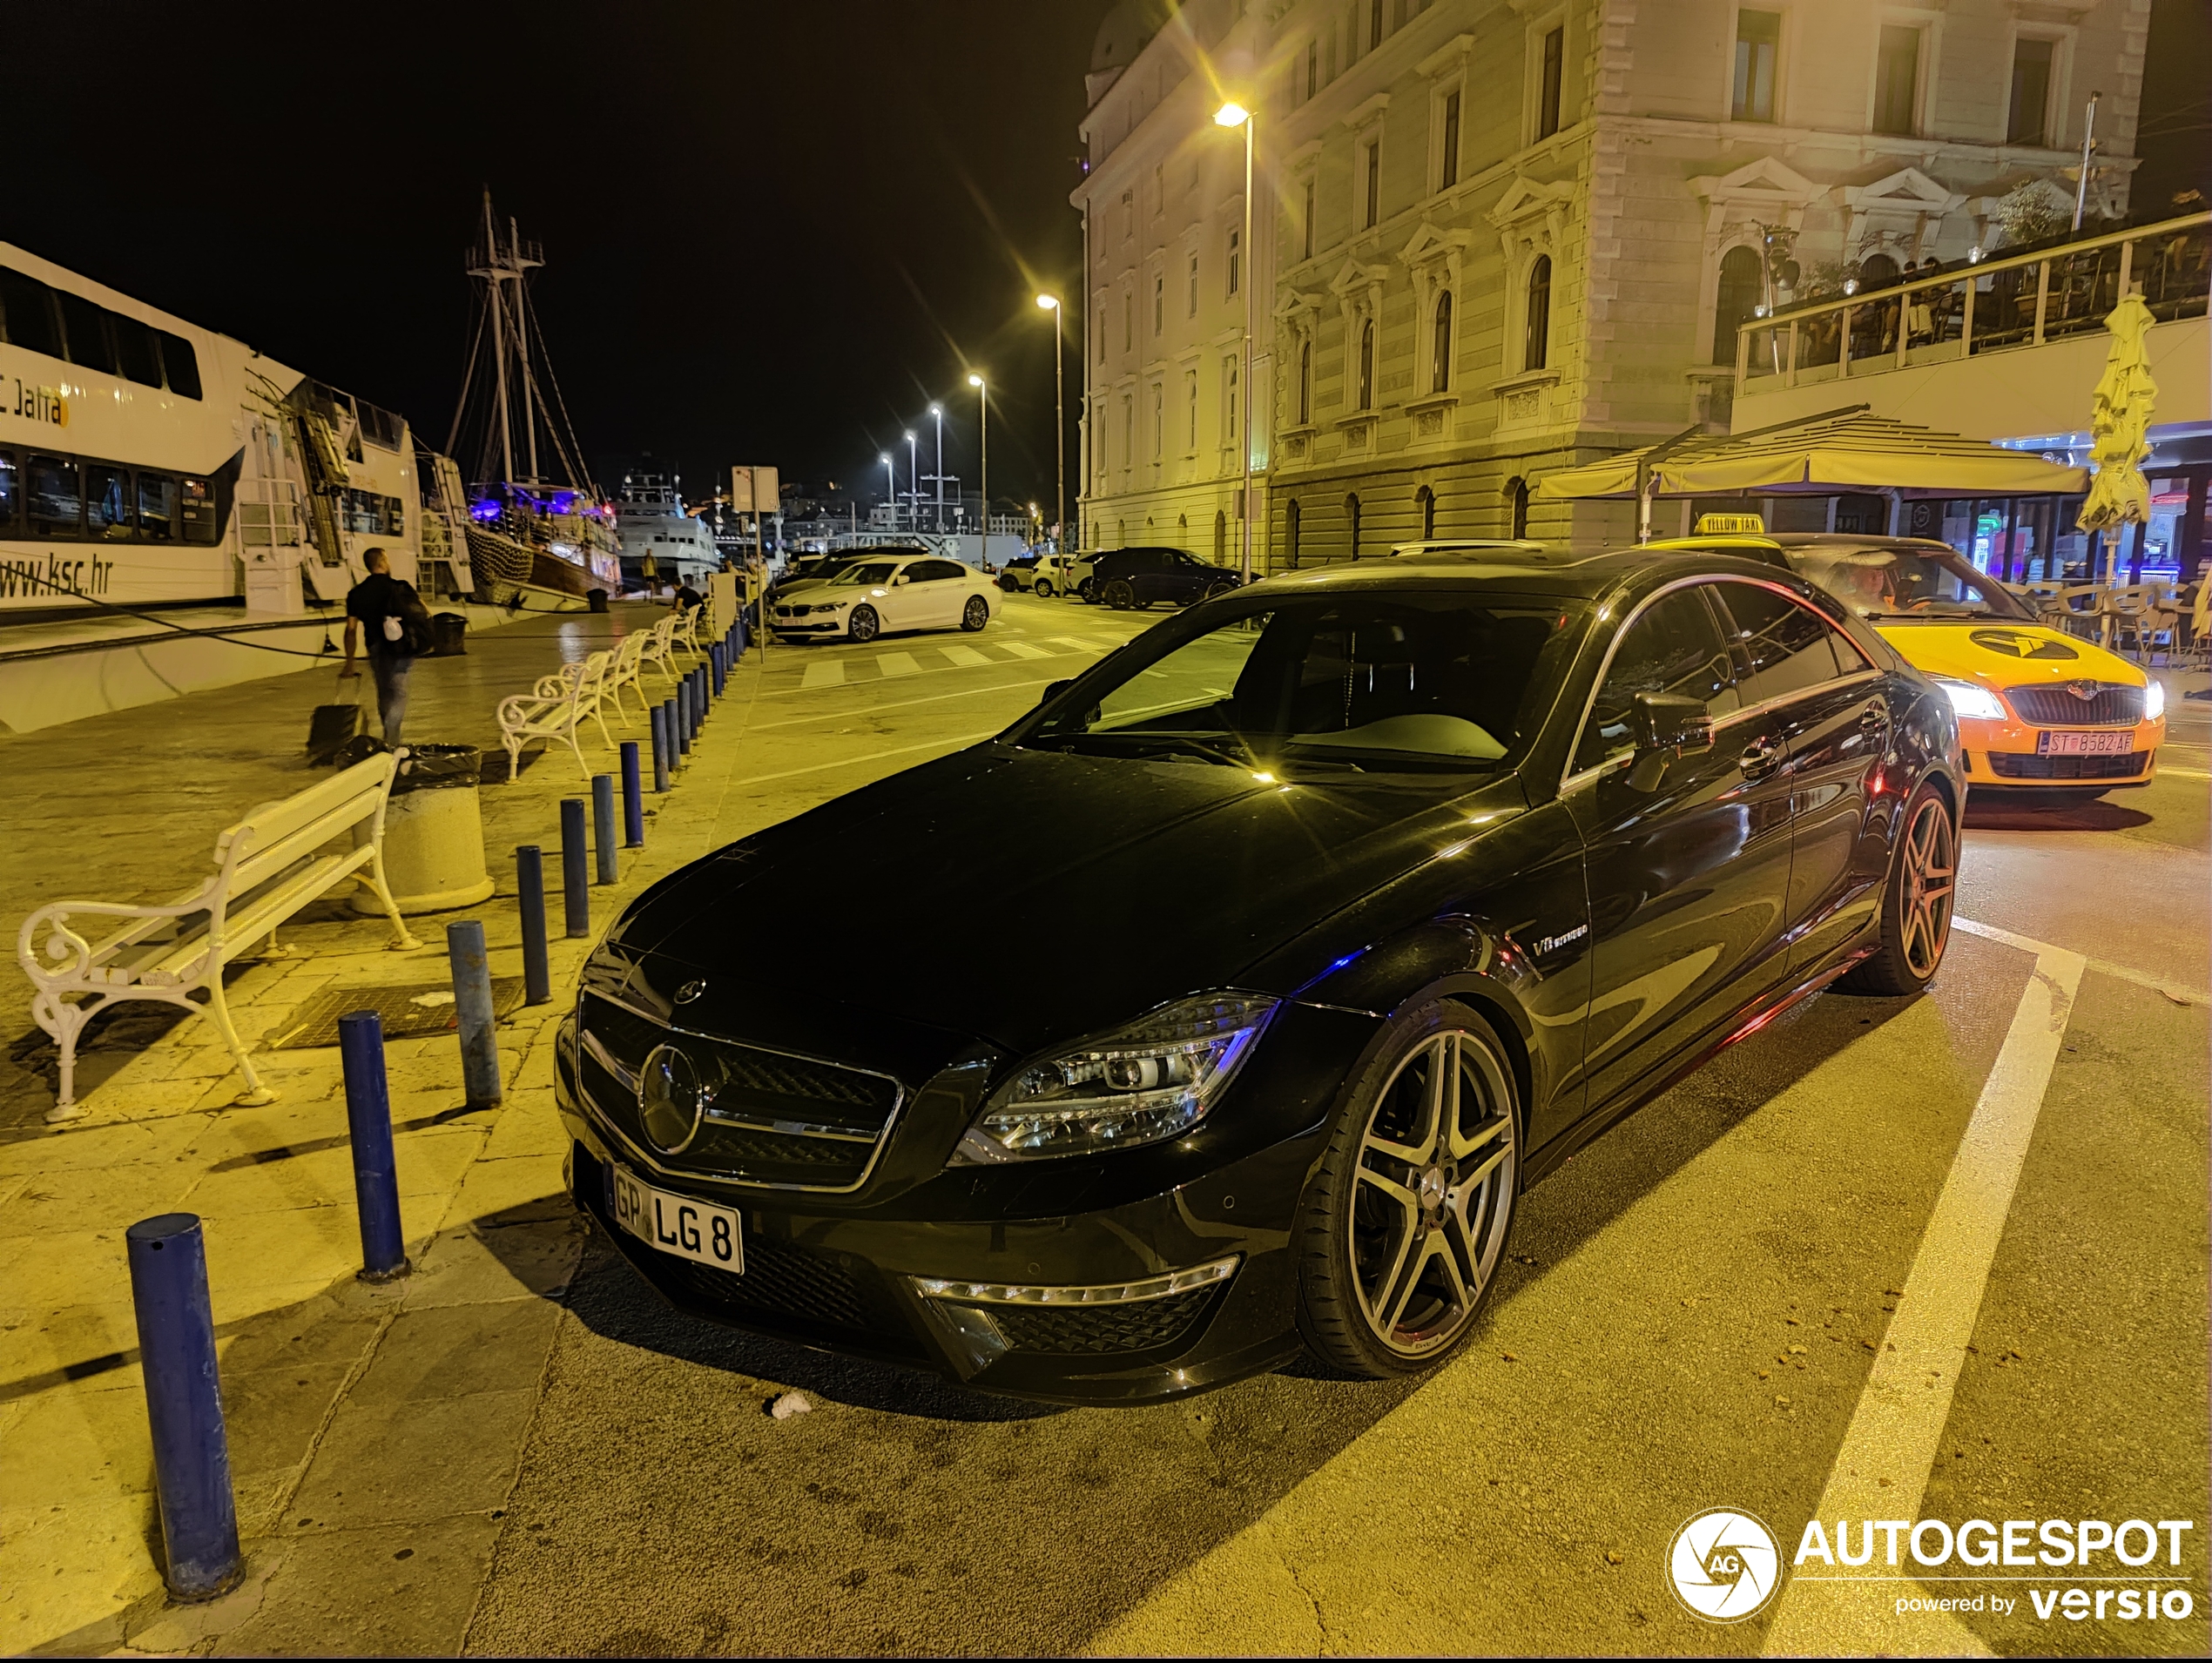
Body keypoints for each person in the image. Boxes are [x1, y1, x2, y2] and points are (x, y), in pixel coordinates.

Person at [341, 547, 424, 744]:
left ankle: (389, 738)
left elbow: (351, 629)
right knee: (399, 690)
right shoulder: (400, 587)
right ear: (382, 563)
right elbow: (424, 612)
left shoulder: (356, 593)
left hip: (375, 646)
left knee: (384, 691)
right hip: (401, 646)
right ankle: (392, 736)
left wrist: (350, 662)